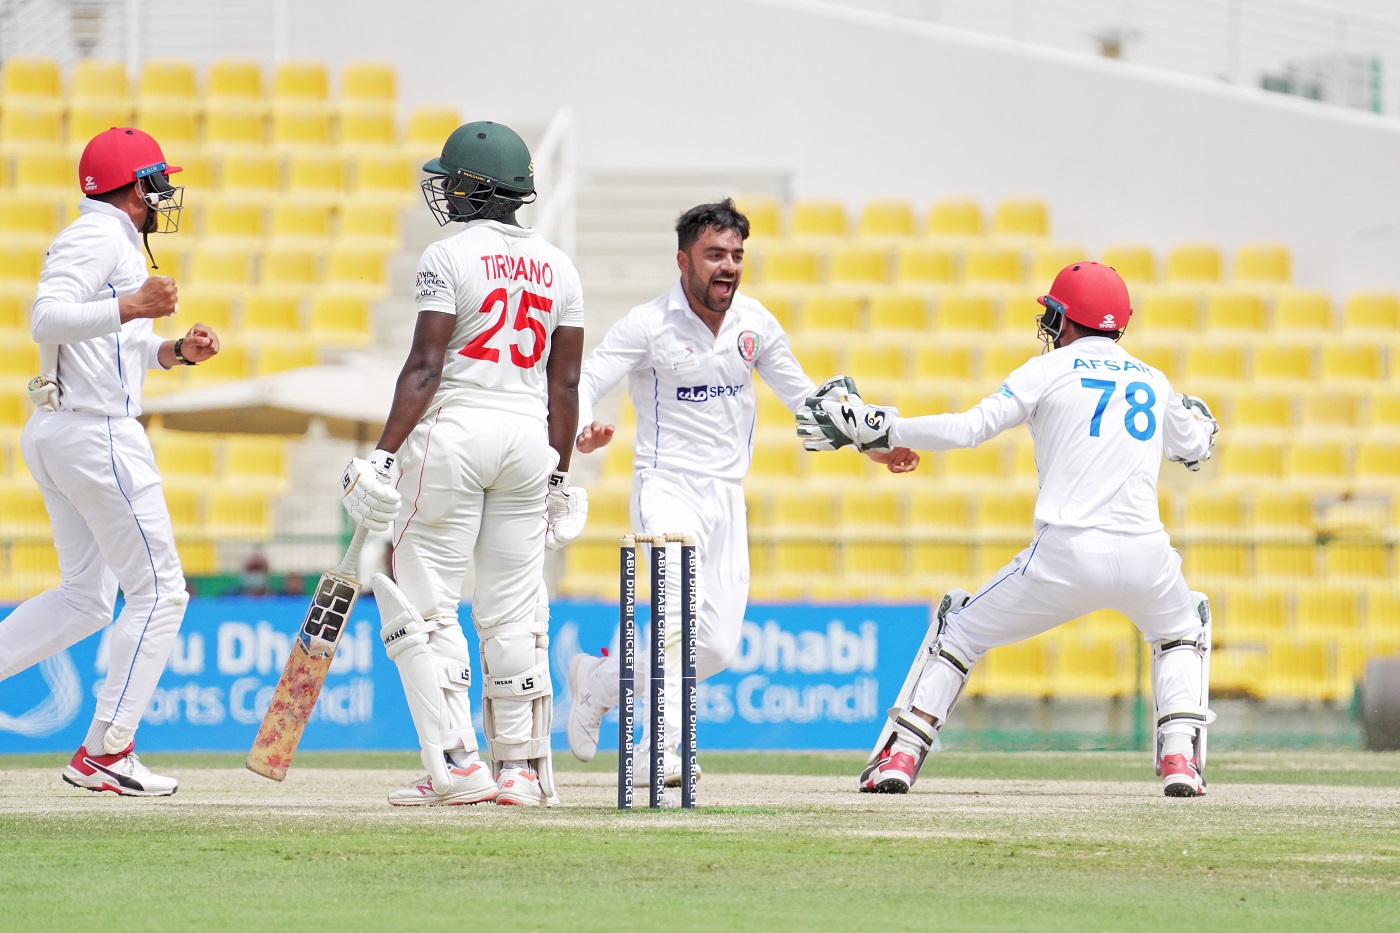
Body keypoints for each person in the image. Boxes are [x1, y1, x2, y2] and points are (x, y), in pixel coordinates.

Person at [796, 261, 1219, 798]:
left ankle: (902, 755)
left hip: (1067, 551)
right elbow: (1197, 445)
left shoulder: (1046, 370)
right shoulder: (1155, 381)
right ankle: (1180, 756)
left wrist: (881, 426)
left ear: (1066, 319)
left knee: (962, 628)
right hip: (1145, 555)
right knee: (1181, 629)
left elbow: (969, 428)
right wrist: (1200, 422)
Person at [564, 198, 919, 788]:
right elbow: (586, 381)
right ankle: (665, 749)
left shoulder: (755, 323)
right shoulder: (647, 324)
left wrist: (869, 443)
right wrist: (582, 428)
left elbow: (805, 398)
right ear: (683, 261)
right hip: (666, 489)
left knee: (719, 648)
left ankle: (600, 682)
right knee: (676, 615)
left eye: (735, 255)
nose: (727, 266)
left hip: (728, 496)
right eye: (713, 255)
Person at [338, 121, 587, 807]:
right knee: (512, 613)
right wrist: (560, 476)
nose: (443, 190)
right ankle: (519, 772)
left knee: (428, 605)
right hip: (528, 438)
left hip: (453, 433)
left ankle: (457, 764)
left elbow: (424, 365)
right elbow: (564, 386)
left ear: (474, 188)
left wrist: (383, 456)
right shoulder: (561, 265)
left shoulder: (447, 255)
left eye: (451, 180)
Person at [0, 126, 220, 796]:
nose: (166, 194)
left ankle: (107, 749)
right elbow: (46, 319)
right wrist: (133, 302)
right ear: (136, 188)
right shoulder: (100, 235)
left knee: (87, 598)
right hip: (97, 434)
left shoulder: (112, 239)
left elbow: (112, 346)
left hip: (64, 429)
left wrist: (174, 350)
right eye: (159, 182)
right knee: (161, 591)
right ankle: (107, 751)